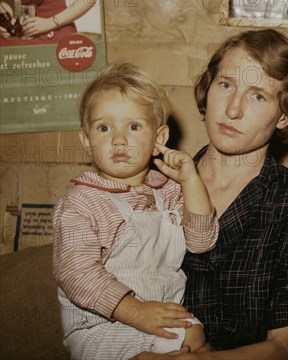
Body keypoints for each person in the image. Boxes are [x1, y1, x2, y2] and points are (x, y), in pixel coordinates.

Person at [132, 29, 288, 359]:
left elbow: (283, 347)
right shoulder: (154, 185)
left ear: (284, 115)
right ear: (208, 88)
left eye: (258, 96)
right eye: (225, 85)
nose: (233, 109)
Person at [52, 63, 219, 359]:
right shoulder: (82, 201)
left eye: (134, 126)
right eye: (104, 128)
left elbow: (201, 242)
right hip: (100, 324)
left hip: (156, 316)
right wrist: (135, 310)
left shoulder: (167, 193)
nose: (118, 139)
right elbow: (76, 272)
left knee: (195, 336)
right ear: (86, 141)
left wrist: (191, 181)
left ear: (159, 138)